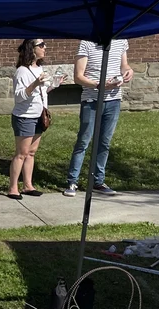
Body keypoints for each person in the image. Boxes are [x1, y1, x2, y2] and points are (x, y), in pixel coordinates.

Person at [63, 39, 134, 197]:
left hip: (113, 100)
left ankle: (98, 181)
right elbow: (78, 76)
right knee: (84, 141)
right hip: (91, 100)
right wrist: (98, 85)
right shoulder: (87, 43)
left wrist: (128, 71)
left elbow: (124, 65)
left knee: (104, 142)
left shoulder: (121, 40)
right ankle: (72, 181)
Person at [8, 39, 64, 200]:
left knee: (31, 153)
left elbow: (42, 91)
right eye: (41, 45)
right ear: (31, 49)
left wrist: (55, 84)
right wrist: (35, 83)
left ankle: (28, 186)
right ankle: (13, 188)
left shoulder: (39, 68)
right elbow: (19, 97)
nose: (45, 47)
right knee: (21, 153)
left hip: (39, 115)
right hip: (25, 117)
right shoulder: (22, 71)